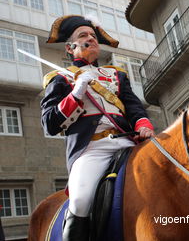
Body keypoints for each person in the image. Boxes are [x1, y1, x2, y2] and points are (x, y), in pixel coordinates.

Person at [41, 15, 155, 241]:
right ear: (69, 47)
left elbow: (135, 109)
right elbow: (50, 124)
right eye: (83, 36)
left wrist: (144, 126)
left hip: (128, 142)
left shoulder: (116, 75)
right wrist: (76, 92)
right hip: (91, 149)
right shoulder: (60, 78)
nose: (91, 39)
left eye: (93, 36)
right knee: (81, 200)